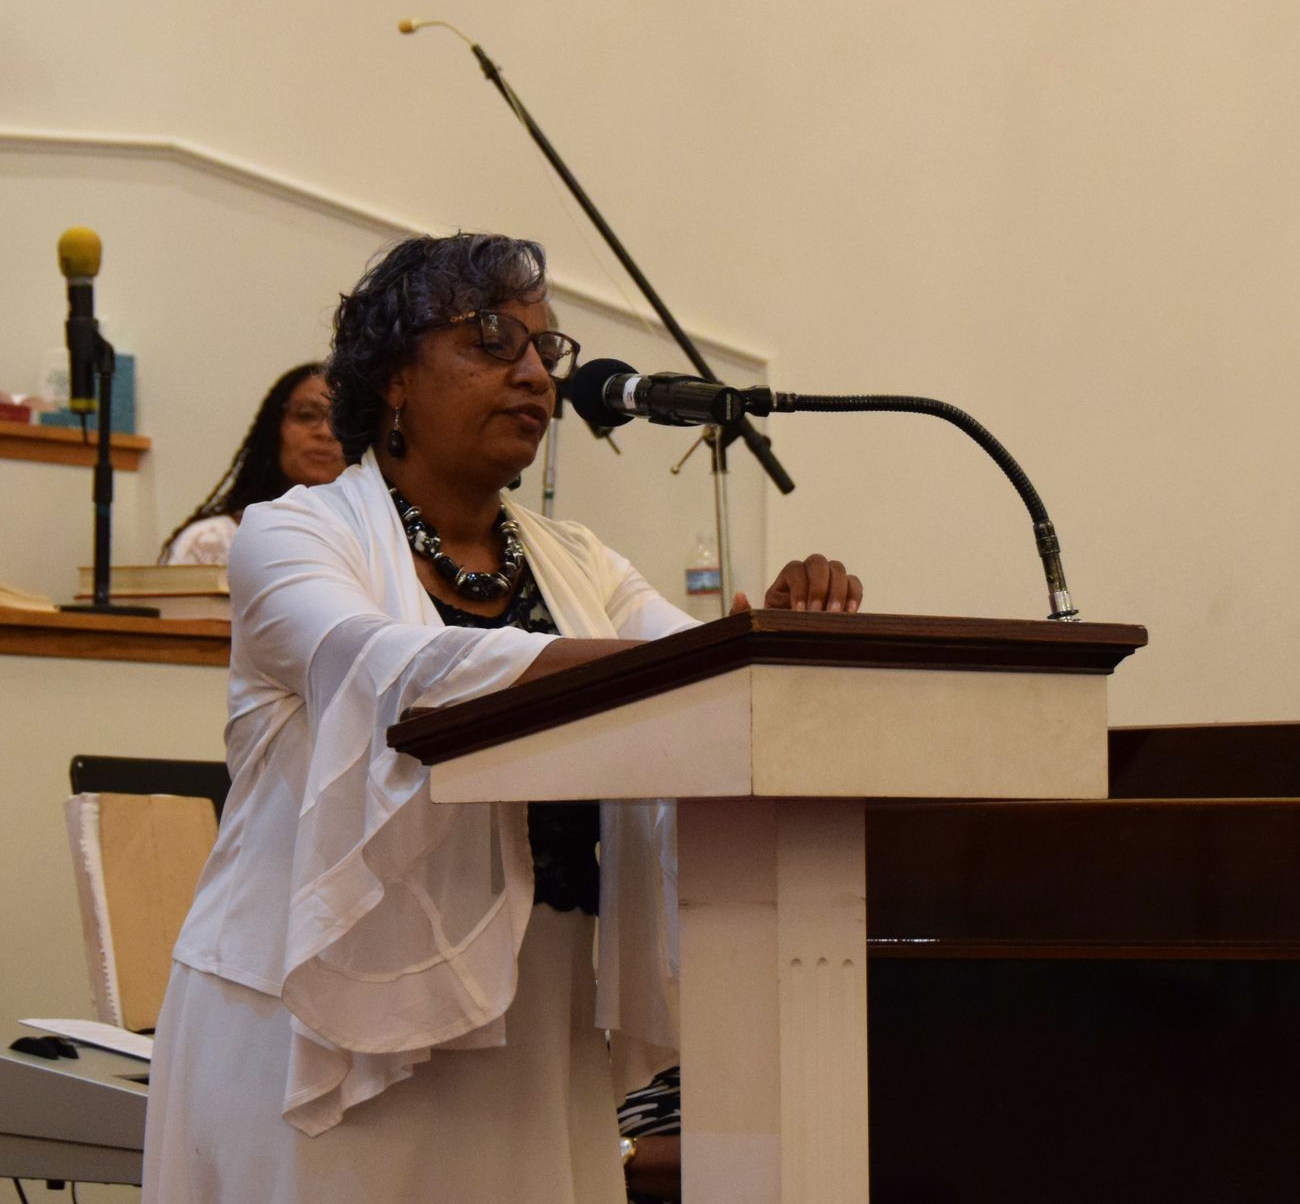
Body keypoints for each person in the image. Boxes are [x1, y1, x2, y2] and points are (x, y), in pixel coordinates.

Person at [141, 233, 862, 1202]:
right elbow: (397, 672)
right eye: (492, 339)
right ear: (394, 375)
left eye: (545, 352)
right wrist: (688, 666)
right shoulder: (292, 535)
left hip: (531, 1031)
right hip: (314, 1025)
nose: (533, 374)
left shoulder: (585, 567)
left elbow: (695, 690)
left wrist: (773, 638)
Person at [158, 362, 348, 564]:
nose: (325, 433)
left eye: (343, 421)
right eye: (306, 415)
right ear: (273, 429)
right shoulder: (212, 543)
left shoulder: (374, 540)